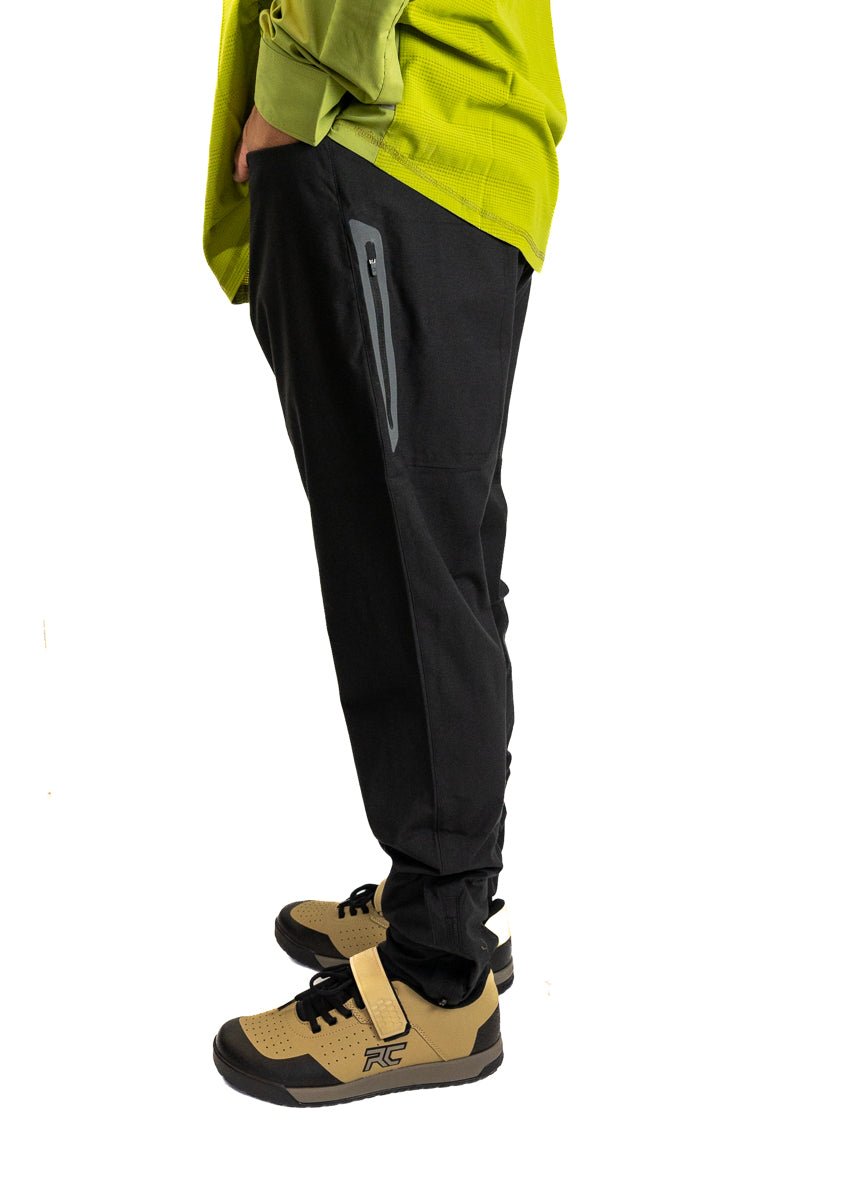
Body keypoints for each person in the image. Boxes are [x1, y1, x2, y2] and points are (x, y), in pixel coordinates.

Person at [202, 0, 567, 1108]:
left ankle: (436, 977)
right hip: (434, 146)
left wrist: (291, 94)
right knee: (433, 559)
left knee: (408, 567)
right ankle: (444, 898)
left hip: (384, 136)